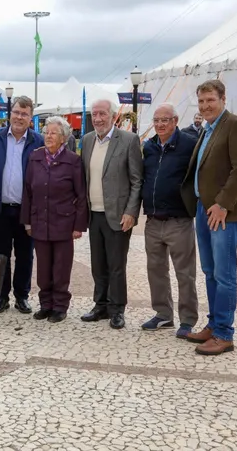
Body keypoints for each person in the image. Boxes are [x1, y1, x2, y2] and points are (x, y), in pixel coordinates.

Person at [180, 79, 237, 356]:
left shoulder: (235, 125)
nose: (205, 106)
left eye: (210, 100)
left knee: (224, 274)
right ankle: (214, 325)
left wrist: (223, 204)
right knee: (210, 271)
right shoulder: (208, 129)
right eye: (201, 102)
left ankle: (225, 333)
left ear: (223, 99)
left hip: (223, 212)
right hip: (204, 209)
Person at [80, 99, 143, 330]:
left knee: (116, 265)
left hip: (118, 215)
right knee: (97, 264)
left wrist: (131, 212)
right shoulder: (87, 141)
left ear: (113, 116)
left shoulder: (128, 141)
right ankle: (101, 305)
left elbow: (137, 180)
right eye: (94, 114)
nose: (98, 118)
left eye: (102, 114)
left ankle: (117, 309)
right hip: (93, 214)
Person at [140, 103, 199, 339]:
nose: (160, 124)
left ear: (175, 120)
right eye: (156, 120)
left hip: (179, 219)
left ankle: (187, 320)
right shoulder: (150, 146)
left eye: (165, 120)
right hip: (153, 220)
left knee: (184, 273)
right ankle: (163, 314)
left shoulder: (188, 144)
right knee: (156, 270)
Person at [20, 116, 87, 323]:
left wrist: (78, 226)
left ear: (64, 138)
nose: (48, 136)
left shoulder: (73, 161)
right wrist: (27, 222)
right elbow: (28, 191)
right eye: (46, 132)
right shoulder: (35, 157)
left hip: (64, 224)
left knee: (61, 268)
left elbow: (81, 195)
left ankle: (59, 306)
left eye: (53, 133)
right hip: (40, 222)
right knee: (43, 269)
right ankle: (45, 304)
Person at [0, 96, 43, 315]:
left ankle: (22, 296)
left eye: (24, 114)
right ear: (10, 113)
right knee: (2, 254)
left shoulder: (39, 142)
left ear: (31, 118)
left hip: (27, 210)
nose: (19, 117)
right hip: (0, 208)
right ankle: (1, 296)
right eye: (17, 112)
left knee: (26, 254)